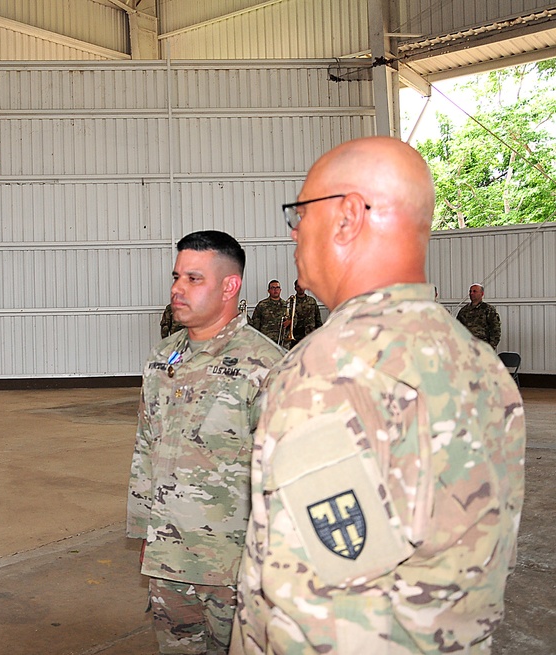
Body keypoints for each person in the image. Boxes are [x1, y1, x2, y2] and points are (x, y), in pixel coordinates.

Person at [232, 137, 526, 654]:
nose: (295, 231)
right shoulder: (477, 361)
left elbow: (318, 615)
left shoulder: (331, 368)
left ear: (347, 218)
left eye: (299, 213)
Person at [127, 230, 284, 654]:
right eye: (177, 277)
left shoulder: (266, 366)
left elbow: (284, 477)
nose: (177, 288)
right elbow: (146, 446)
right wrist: (145, 527)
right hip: (168, 558)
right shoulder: (162, 359)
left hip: (234, 565)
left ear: (230, 286)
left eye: (193, 279)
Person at [456, 283, 502, 349]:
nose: (471, 293)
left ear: (482, 294)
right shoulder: (464, 310)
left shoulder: (488, 309)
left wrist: (491, 347)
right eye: (470, 291)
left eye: (474, 291)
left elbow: (495, 330)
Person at [288, 278, 323, 346]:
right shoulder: (292, 301)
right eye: (298, 286)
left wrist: (320, 330)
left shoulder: (312, 301)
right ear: (295, 288)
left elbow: (317, 317)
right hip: (297, 335)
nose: (301, 288)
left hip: (311, 333)